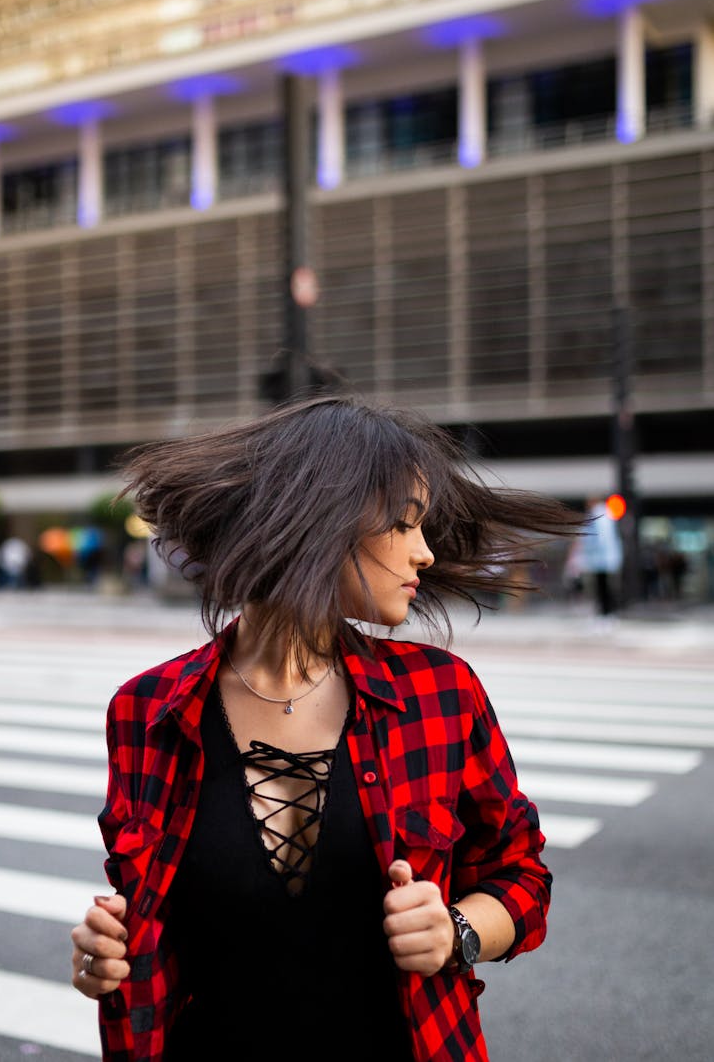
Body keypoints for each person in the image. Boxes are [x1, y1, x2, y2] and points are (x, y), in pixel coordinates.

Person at [70, 395, 579, 1062]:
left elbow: (521, 875)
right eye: (404, 524)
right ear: (321, 521)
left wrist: (455, 929)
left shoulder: (440, 694)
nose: (425, 553)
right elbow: (144, 929)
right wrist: (101, 961)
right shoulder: (148, 710)